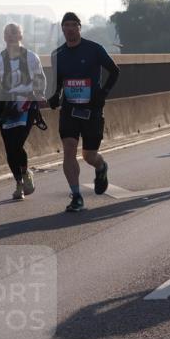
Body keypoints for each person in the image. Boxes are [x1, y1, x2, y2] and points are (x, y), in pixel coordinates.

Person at [48, 12, 120, 212]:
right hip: (70, 110)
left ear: (80, 27)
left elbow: (115, 71)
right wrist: (55, 96)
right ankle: (76, 196)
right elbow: (57, 83)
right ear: (62, 29)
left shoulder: (94, 49)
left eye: (73, 25)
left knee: (89, 155)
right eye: (66, 25)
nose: (70, 28)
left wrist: (103, 93)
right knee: (69, 149)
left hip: (92, 109)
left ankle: (101, 167)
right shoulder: (57, 55)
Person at [0, 23, 47, 200]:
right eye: (7, 33)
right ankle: (19, 182)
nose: (10, 36)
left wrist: (40, 95)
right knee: (9, 147)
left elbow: (40, 79)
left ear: (21, 36)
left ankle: (26, 174)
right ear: (4, 37)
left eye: (14, 33)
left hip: (26, 104)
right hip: (7, 106)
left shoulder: (32, 57)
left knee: (17, 143)